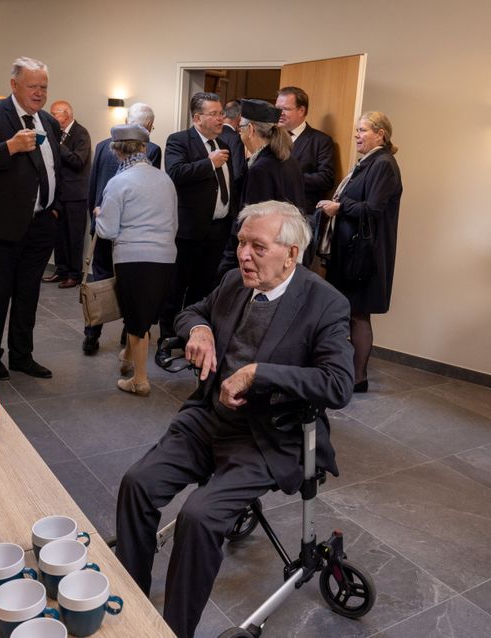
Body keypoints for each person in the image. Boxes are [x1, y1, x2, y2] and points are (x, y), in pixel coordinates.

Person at [115, 201, 353, 638]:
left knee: (200, 517)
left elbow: (338, 384)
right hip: (209, 417)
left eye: (257, 247)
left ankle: (173, 630)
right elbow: (193, 312)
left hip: (268, 436)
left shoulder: (325, 304)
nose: (243, 254)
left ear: (291, 254)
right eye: (241, 242)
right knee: (137, 483)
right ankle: (130, 598)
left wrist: (259, 374)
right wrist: (198, 330)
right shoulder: (233, 281)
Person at [0, 57, 63, 381]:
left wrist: (54, 206)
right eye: (33, 86)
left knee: (28, 295)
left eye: (43, 86)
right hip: (0, 226)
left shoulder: (48, 121)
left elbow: (53, 168)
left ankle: (22, 355)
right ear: (14, 85)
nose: (39, 92)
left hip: (41, 224)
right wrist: (9, 147)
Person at [317, 111, 402, 393]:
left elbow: (373, 209)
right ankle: (348, 372)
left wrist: (338, 207)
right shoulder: (368, 163)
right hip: (350, 252)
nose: (357, 135)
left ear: (381, 134)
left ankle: (358, 378)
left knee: (359, 315)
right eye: (357, 130)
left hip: (365, 256)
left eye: (363, 130)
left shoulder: (384, 164)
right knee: (349, 313)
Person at [94, 125, 177, 396]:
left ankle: (140, 380)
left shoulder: (119, 182)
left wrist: (99, 213)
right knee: (142, 312)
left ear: (117, 150)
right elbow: (174, 222)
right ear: (144, 148)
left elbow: (107, 230)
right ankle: (128, 359)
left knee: (136, 319)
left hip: (133, 257)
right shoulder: (164, 179)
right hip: (165, 256)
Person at [156, 92, 235, 367]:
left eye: (221, 113)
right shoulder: (179, 141)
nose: (220, 118)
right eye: (214, 114)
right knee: (175, 290)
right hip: (187, 232)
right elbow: (175, 173)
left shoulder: (224, 143)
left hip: (217, 231)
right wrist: (208, 163)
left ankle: (190, 340)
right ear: (197, 118)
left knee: (202, 292)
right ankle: (165, 342)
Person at [81, 103, 162, 356]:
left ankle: (92, 336)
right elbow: (149, 190)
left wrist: (96, 218)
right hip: (133, 230)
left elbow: (93, 188)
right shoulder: (154, 150)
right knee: (132, 281)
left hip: (103, 222)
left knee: (100, 278)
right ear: (149, 128)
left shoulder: (104, 145)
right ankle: (129, 335)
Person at [216, 99, 306, 277]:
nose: (238, 132)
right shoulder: (288, 160)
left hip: (261, 257)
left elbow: (252, 221)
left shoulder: (261, 169)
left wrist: (229, 261)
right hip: (282, 250)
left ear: (250, 129)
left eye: (240, 127)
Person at [42, 100, 92, 289]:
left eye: (55, 113)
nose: (53, 117)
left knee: (74, 237)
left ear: (67, 114)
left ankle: (74, 274)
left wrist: (57, 145)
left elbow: (78, 161)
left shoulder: (81, 133)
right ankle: (60, 270)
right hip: (58, 193)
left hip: (75, 195)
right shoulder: (56, 134)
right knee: (59, 235)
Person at [276, 86, 335, 214]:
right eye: (277, 109)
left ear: (301, 110)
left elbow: (326, 179)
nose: (279, 113)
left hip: (300, 214)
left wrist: (290, 178)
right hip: (271, 212)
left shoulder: (321, 141)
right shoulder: (270, 138)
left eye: (285, 109)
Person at [218, 99, 247, 188]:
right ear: (239, 116)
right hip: (228, 191)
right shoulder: (236, 138)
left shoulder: (213, 133)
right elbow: (237, 172)